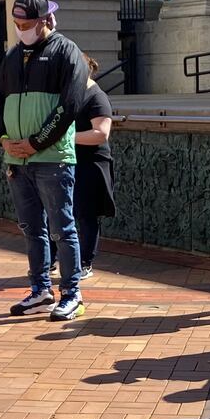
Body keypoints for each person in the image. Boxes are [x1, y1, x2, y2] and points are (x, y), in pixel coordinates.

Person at [0, 0, 90, 321]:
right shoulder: (11, 57)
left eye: (27, 22)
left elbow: (70, 106)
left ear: (47, 19)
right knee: (30, 227)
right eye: (17, 21)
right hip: (17, 160)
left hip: (52, 158)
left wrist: (36, 142)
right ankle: (40, 290)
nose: (21, 27)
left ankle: (72, 293)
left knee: (63, 228)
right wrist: (3, 139)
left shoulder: (66, 52)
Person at [73, 57, 116, 282]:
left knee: (87, 215)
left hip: (92, 164)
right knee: (72, 214)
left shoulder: (96, 97)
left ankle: (85, 263)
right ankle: (64, 261)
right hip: (74, 161)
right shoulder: (73, 94)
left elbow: (101, 133)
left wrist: (66, 138)